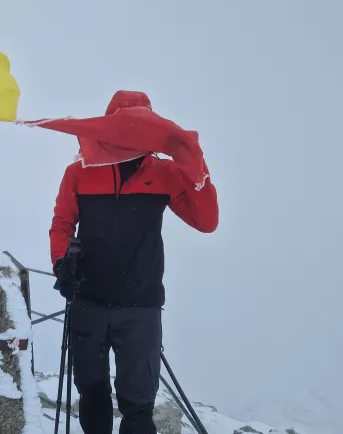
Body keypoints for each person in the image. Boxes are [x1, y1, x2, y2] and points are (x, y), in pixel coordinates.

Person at [49, 91, 219, 434]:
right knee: (92, 392)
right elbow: (62, 224)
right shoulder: (78, 172)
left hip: (140, 305)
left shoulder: (167, 172)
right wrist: (61, 262)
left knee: (138, 404)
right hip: (88, 298)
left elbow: (206, 220)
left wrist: (193, 163)